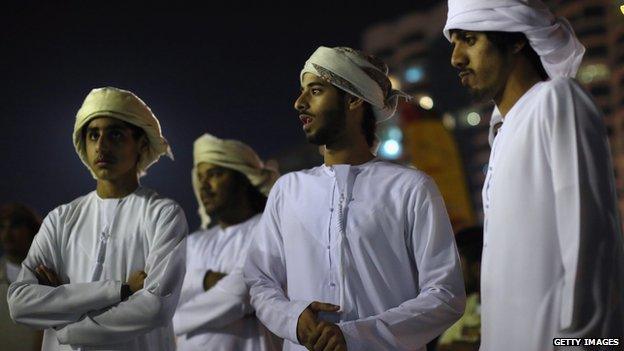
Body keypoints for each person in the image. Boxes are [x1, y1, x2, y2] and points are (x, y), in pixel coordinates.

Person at [244, 46, 465, 351]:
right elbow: (259, 279)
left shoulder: (410, 188)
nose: (299, 103)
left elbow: (445, 295)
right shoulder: (288, 190)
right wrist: (294, 319)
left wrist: (358, 334)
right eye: (302, 92)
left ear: (353, 98)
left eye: (316, 90)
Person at [444, 1, 624, 350]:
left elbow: (590, 239)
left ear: (516, 41)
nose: (456, 58)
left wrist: (582, 343)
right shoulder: (500, 134)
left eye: (469, 39)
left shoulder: (556, 99)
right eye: (453, 43)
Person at [7, 87, 188, 351]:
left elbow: (156, 307)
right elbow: (20, 303)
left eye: (115, 134)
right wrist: (121, 291)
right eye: (93, 135)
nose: (101, 145)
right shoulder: (61, 219)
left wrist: (63, 320)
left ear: (140, 143)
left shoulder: (163, 214)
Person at [173, 133, 281, 351]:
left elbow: (244, 292)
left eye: (215, 174)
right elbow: (164, 294)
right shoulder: (193, 243)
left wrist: (170, 322)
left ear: (242, 179)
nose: (204, 186)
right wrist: (204, 279)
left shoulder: (268, 230)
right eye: (200, 177)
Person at [0, 203, 43, 351]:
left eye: (15, 226)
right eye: (2, 227)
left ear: (32, 231)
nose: (7, 234)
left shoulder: (50, 277)